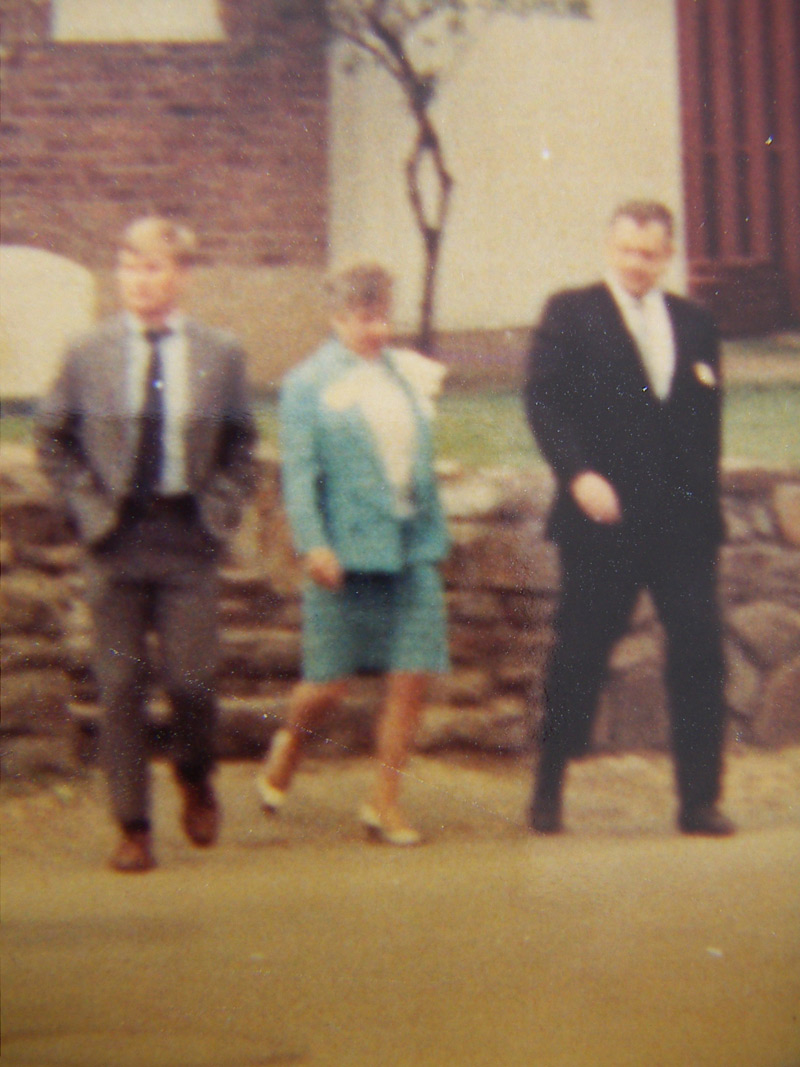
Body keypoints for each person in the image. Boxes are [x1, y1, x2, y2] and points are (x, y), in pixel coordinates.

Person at [37, 217, 258, 872]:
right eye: (129, 267)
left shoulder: (221, 353)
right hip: (115, 539)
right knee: (119, 683)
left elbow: (241, 447)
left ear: (183, 276)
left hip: (186, 538)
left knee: (192, 680)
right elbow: (52, 438)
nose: (139, 281)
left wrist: (215, 513)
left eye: (154, 267)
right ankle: (132, 824)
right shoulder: (88, 351)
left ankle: (195, 772)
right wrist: (90, 509)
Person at [524, 200, 735, 837]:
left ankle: (699, 800)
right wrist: (578, 474)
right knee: (581, 654)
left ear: (668, 255)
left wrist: (704, 508)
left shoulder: (695, 323)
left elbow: (706, 426)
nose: (637, 264)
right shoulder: (571, 313)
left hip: (683, 529)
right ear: (608, 248)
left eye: (650, 253)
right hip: (603, 521)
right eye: (626, 251)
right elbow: (544, 402)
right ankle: (548, 790)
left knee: (700, 655)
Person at [255, 263, 449, 845]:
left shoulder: (406, 374)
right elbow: (299, 475)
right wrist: (313, 543)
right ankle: (290, 742)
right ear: (337, 316)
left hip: (411, 544)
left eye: (384, 316)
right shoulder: (306, 383)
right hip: (341, 551)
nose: (378, 329)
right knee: (329, 686)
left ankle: (383, 802)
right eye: (365, 317)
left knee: (411, 676)